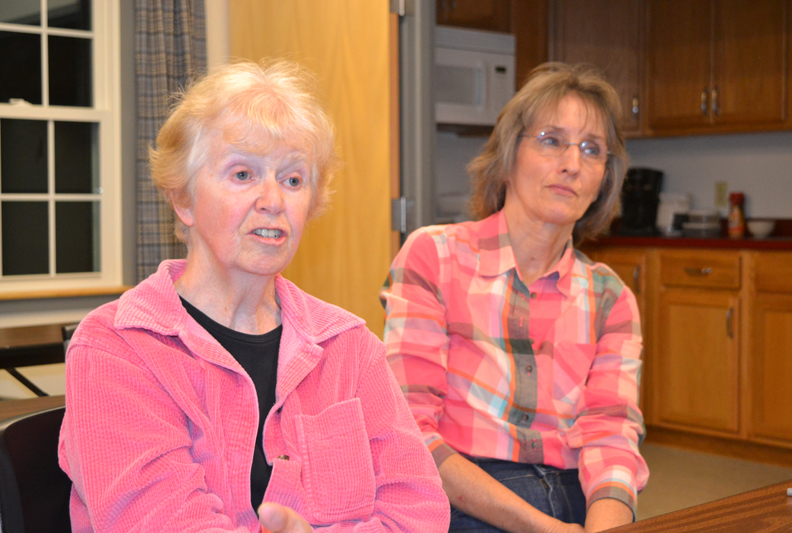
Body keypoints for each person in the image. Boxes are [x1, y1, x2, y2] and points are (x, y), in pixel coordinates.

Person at [59, 60, 450, 533]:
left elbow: (421, 513)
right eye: (243, 174)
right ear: (183, 199)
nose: (273, 200)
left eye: (293, 180)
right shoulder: (117, 348)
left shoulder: (350, 348)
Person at [380, 63, 648, 533]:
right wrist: (540, 528)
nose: (572, 164)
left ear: (604, 179)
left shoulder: (612, 299)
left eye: (592, 150)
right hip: (464, 496)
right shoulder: (434, 257)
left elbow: (612, 443)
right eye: (551, 140)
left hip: (578, 498)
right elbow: (410, 432)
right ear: (508, 155)